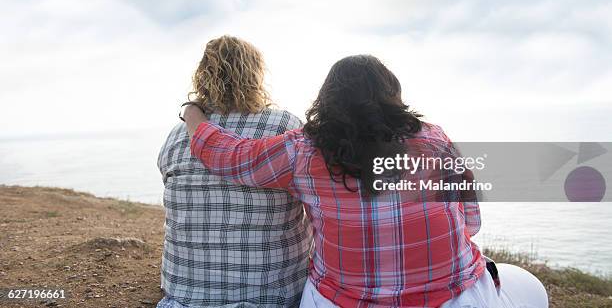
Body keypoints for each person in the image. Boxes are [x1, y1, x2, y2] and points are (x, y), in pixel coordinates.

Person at [181, 54, 548, 308]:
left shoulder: (301, 150)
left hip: (339, 301)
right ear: (393, 95)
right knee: (530, 287)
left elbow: (228, 155)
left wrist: (194, 116)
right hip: (452, 298)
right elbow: (471, 222)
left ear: (327, 99)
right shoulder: (435, 140)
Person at [157, 35, 313, 308]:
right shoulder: (284, 125)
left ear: (202, 75)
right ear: (255, 74)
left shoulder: (177, 135)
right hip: (272, 297)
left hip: (185, 296)